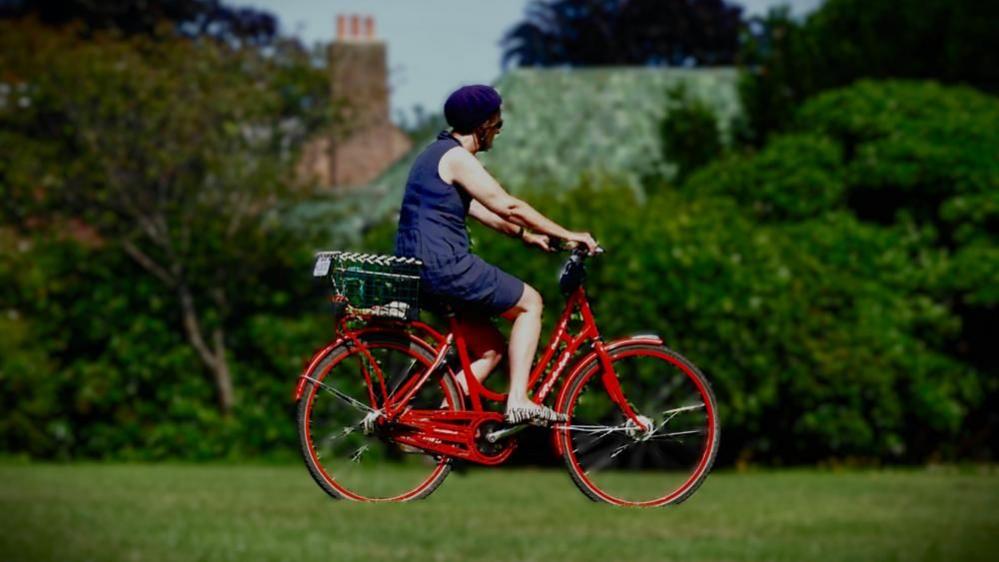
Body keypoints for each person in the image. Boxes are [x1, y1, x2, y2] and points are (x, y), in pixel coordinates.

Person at [395, 84, 598, 424]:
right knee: (530, 304)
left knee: (490, 349)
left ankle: (437, 423)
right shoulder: (457, 158)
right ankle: (518, 400)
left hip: (418, 270)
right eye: (497, 124)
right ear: (481, 126)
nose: (499, 132)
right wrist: (568, 233)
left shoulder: (433, 154)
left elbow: (482, 209)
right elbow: (508, 205)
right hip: (445, 266)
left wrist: (526, 236)